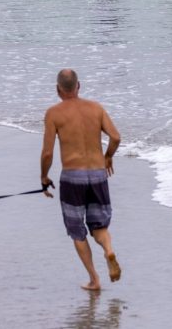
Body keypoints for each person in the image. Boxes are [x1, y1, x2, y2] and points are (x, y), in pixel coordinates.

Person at [40, 69, 122, 291]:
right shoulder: (95, 108)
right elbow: (115, 137)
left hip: (72, 178)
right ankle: (108, 250)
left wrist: (44, 176)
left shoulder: (54, 113)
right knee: (99, 226)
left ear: (58, 90)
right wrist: (107, 158)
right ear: (79, 86)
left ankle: (94, 279)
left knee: (77, 231)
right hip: (97, 175)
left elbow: (47, 153)